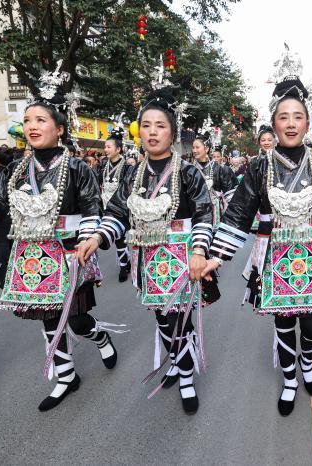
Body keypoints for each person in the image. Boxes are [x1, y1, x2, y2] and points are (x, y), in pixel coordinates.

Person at [0, 70, 122, 412]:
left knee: (78, 320)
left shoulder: (77, 168)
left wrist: (88, 239)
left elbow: (91, 209)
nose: (32, 126)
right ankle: (66, 377)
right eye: (26, 120)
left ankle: (99, 335)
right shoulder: (17, 170)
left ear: (60, 128)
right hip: (34, 258)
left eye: (40, 119)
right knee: (49, 321)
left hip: (71, 252)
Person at [203, 72, 312, 417]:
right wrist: (216, 255)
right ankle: (290, 377)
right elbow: (239, 212)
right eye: (283, 117)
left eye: (298, 116)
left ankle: (307, 361)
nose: (291, 124)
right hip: (277, 256)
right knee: (284, 322)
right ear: (273, 123)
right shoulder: (260, 167)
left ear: (308, 123)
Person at [82, 85, 219, 415]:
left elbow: (203, 212)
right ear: (138, 131)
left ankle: (185, 376)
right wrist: (98, 238)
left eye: (160, 125)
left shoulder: (187, 172)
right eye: (146, 125)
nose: (152, 132)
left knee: (180, 321)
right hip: (148, 258)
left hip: (183, 258)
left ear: (172, 131)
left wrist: (199, 250)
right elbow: (117, 212)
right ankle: (176, 361)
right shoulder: (132, 172)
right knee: (162, 317)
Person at [98, 125, 132, 282]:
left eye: (109, 146)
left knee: (120, 238)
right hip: (105, 204)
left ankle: (124, 266)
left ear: (118, 149)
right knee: (113, 236)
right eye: (105, 146)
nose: (106, 149)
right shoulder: (102, 165)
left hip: (122, 205)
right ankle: (126, 262)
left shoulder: (126, 167)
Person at [191, 120, 236, 228]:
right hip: (196, 214)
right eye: (193, 147)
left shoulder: (221, 169)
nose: (194, 150)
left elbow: (230, 195)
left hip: (217, 215)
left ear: (206, 149)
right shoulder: (189, 170)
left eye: (197, 147)